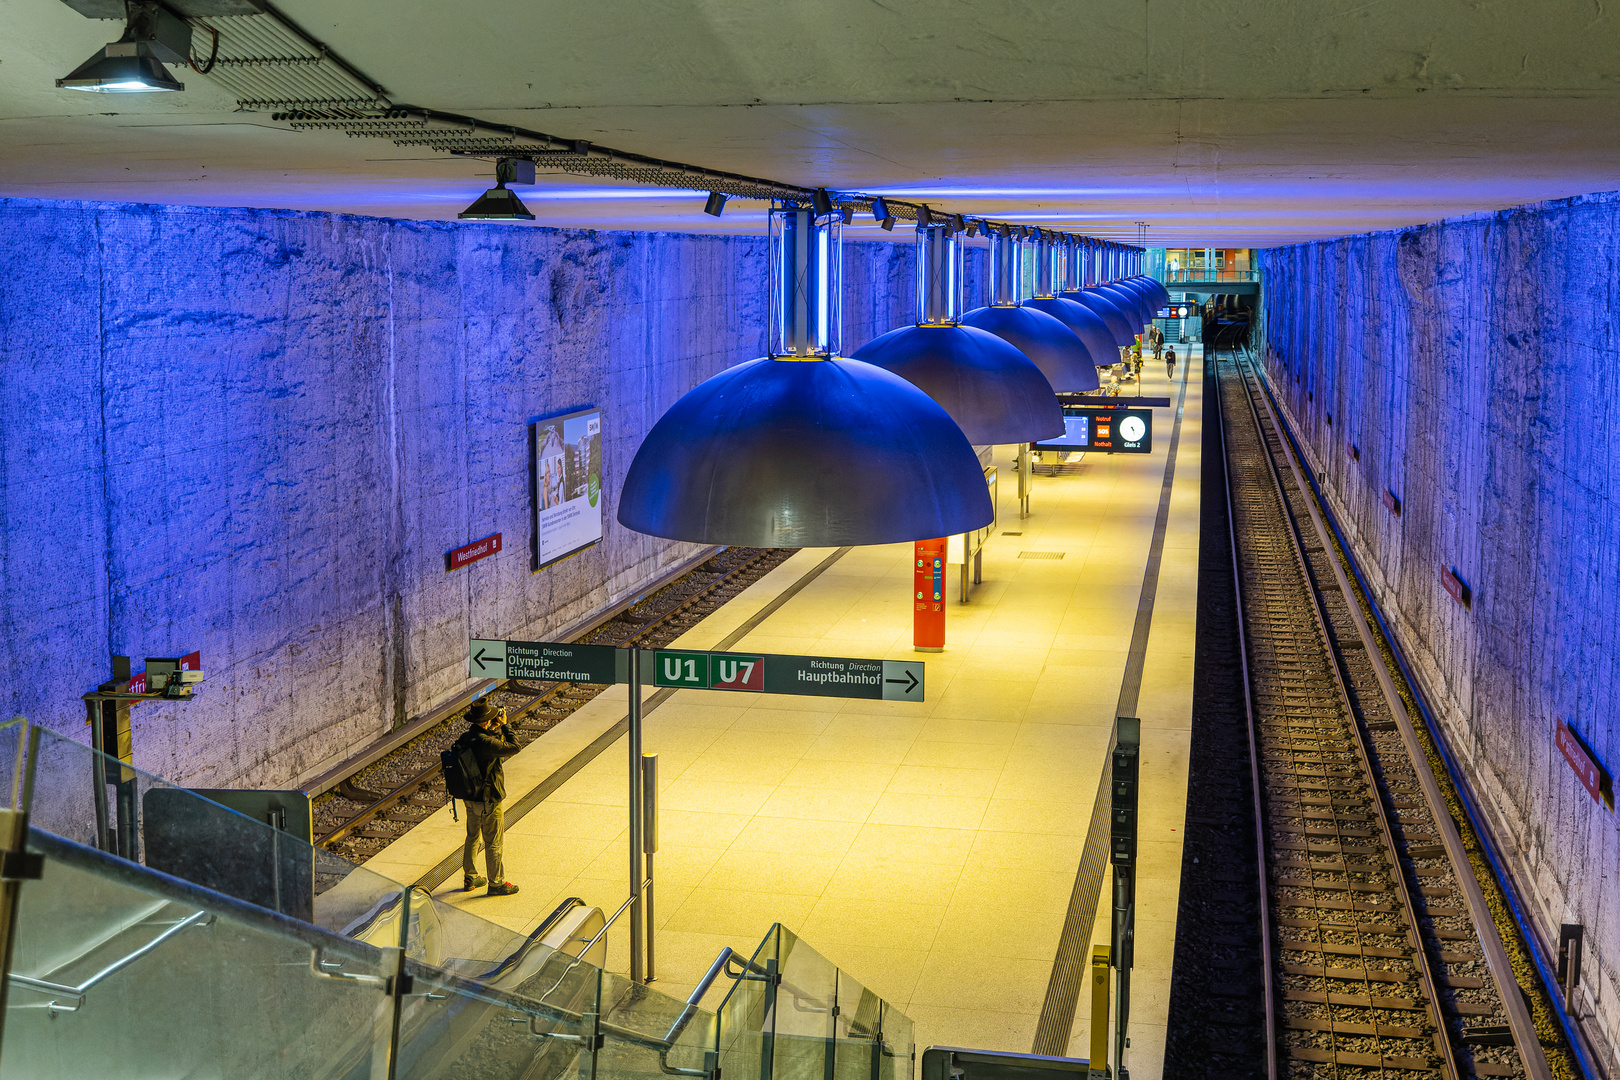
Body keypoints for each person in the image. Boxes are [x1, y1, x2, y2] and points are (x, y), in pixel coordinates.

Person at [456, 700, 521, 895]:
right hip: (489, 799)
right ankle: (496, 883)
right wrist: (505, 725)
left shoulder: (466, 738)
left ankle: (471, 876)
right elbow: (514, 746)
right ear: (486, 720)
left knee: (473, 835)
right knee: (493, 840)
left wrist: (492, 729)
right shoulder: (487, 743)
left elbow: (486, 746)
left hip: (469, 798)